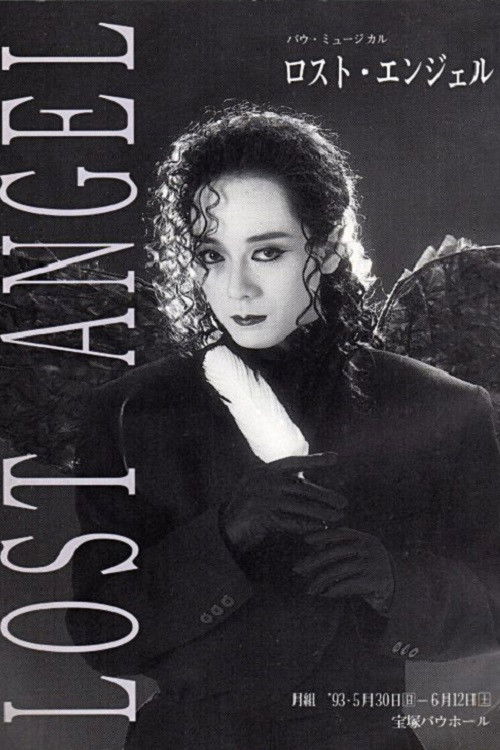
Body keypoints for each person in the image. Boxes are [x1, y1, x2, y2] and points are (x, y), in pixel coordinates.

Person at [68, 104, 500, 749]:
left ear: (326, 250)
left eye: (267, 252)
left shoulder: (440, 406)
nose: (237, 287)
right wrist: (226, 533)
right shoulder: (131, 410)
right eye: (211, 255)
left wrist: (397, 582)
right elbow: (101, 635)